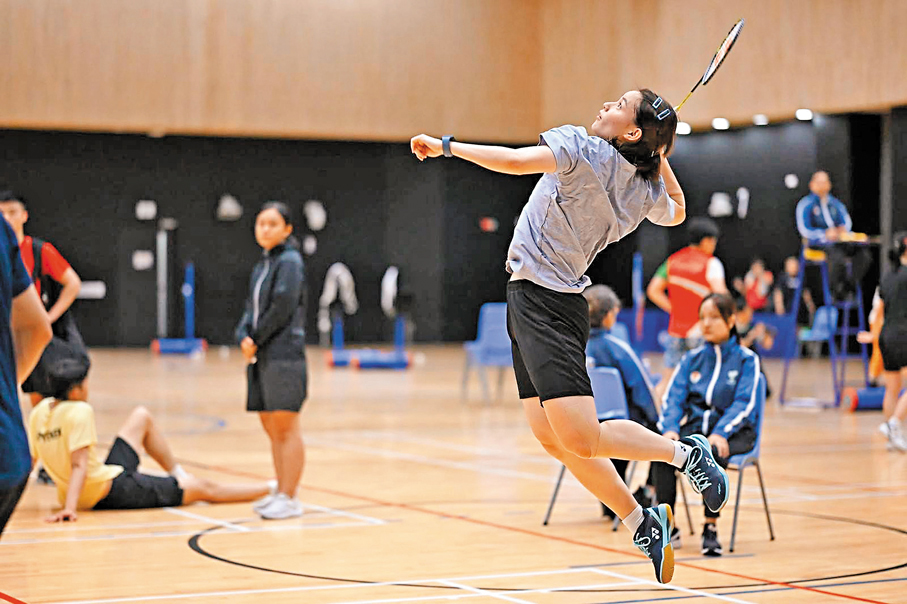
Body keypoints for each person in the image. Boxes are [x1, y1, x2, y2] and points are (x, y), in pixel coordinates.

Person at [411, 89, 730, 584]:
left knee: (583, 437)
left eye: (619, 105)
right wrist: (659, 156)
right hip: (527, 298)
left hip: (548, 303)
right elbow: (679, 210)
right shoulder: (643, 188)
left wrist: (447, 146)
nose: (606, 105)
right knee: (554, 439)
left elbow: (516, 162)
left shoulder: (580, 147)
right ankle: (642, 523)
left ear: (631, 131)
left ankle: (687, 455)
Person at [28, 350, 270, 521]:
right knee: (203, 488)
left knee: (141, 416)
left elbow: (31, 460)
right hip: (108, 492)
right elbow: (79, 465)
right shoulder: (80, 411)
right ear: (76, 391)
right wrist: (71, 509)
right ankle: (271, 488)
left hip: (97, 480)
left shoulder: (39, 411)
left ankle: (178, 474)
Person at [654, 293, 760, 556]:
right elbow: (673, 397)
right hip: (695, 430)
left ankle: (710, 526)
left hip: (735, 432)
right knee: (661, 450)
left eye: (714, 317)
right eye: (702, 318)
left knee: (712, 452)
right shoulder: (692, 358)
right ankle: (669, 526)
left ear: (731, 321)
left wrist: (721, 432)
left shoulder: (747, 359)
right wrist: (670, 429)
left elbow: (744, 403)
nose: (706, 324)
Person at [235, 202, 308, 520]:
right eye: (260, 223)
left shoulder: (290, 261)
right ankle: (280, 491)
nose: (265, 229)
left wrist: (256, 337)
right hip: (262, 354)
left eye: (272, 224)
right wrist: (243, 335)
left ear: (287, 229)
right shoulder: (263, 263)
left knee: (286, 426)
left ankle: (290, 498)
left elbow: (282, 305)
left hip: (284, 355)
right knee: (271, 426)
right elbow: (250, 309)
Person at [0, 190, 85, 406]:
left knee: (73, 388)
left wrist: (49, 317)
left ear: (24, 216)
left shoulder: (38, 250)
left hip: (37, 331)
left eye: (12, 212)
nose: (7, 218)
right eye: (2, 214)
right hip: (12, 333)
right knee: (35, 394)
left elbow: (73, 283)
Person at [583, 285, 658, 522]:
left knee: (609, 438)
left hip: (586, 424)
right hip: (621, 425)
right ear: (609, 316)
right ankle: (648, 492)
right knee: (662, 433)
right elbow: (642, 389)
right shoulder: (617, 347)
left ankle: (611, 502)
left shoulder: (575, 348)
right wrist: (657, 419)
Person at [0, 215, 52, 538]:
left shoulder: (41, 250)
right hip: (8, 453)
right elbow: (38, 327)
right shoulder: (3, 232)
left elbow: (71, 282)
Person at [647, 217, 728, 397]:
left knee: (668, 380)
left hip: (675, 330)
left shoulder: (672, 261)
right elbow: (720, 296)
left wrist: (674, 309)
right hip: (701, 330)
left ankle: (655, 412)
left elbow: (653, 291)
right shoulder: (711, 263)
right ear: (706, 241)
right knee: (704, 380)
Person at [858, 232, 907, 452]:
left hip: (886, 337)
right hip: (904, 335)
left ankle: (891, 439)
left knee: (892, 389)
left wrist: (873, 335)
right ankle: (894, 423)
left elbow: (879, 310)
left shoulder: (887, 277)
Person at [795, 171, 870, 301]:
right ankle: (834, 291)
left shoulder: (836, 204)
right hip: (817, 243)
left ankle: (847, 286)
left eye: (825, 182)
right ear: (812, 185)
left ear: (829, 185)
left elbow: (846, 222)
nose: (822, 185)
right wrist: (824, 233)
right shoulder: (805, 204)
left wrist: (842, 231)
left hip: (838, 242)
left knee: (863, 254)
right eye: (819, 182)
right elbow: (804, 229)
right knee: (836, 255)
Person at [773, 256, 816, 326]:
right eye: (791, 266)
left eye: (796, 266)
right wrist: (779, 307)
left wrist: (810, 305)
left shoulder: (801, 278)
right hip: (786, 311)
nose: (794, 268)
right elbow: (778, 293)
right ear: (786, 267)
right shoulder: (783, 278)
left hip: (798, 312)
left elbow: (805, 292)